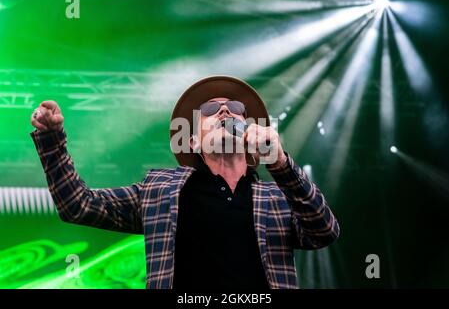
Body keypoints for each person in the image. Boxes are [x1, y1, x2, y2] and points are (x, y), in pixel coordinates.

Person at [30, 75, 340, 290]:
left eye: (234, 109)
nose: (223, 110)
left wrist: (281, 163)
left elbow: (324, 231)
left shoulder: (277, 197)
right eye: (210, 110)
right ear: (192, 141)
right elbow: (77, 205)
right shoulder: (159, 189)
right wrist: (51, 139)